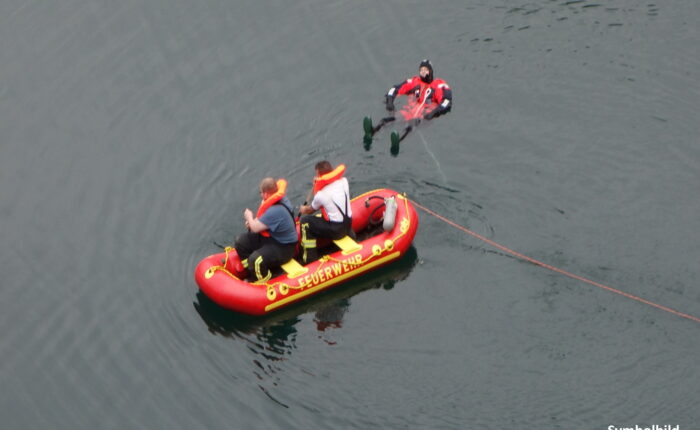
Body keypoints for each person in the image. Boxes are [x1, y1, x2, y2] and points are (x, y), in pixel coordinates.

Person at [234, 177, 298, 282]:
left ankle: (262, 280)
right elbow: (262, 222)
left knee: (255, 260)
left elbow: (255, 228)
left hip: (284, 247)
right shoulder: (277, 202)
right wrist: (252, 222)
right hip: (272, 237)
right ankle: (251, 270)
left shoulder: (275, 210)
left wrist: (249, 217)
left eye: (261, 192)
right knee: (241, 241)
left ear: (265, 194)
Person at [298, 161, 353, 264]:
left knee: (305, 222)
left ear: (319, 175)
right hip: (348, 224)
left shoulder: (321, 194)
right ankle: (352, 236)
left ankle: (309, 259)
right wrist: (319, 183)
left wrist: (302, 209)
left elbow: (310, 210)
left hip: (336, 230)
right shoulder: (344, 182)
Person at [385, 59, 452, 121]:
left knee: (410, 127)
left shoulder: (438, 85)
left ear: (430, 71)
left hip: (424, 116)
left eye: (425, 69)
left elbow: (446, 101)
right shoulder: (414, 82)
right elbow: (395, 89)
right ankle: (377, 128)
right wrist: (390, 101)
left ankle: (403, 133)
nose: (423, 72)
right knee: (389, 120)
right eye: (421, 70)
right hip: (409, 111)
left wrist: (433, 113)